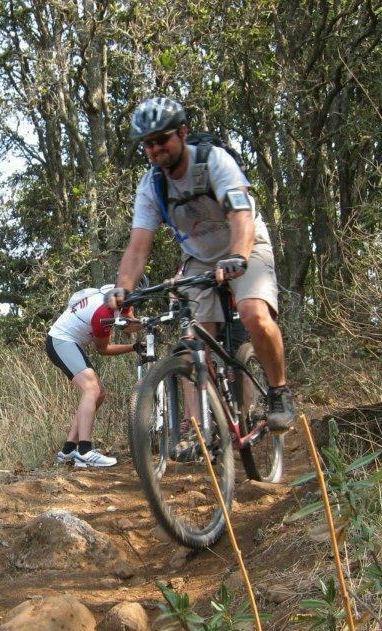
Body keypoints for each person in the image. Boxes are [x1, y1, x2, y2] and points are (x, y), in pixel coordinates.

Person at [106, 97, 296, 431]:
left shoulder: (213, 162)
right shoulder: (151, 186)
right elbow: (138, 246)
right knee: (195, 341)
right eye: (148, 144)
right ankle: (209, 428)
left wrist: (237, 255)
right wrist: (124, 289)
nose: (155, 149)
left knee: (253, 313)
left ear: (182, 133)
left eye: (162, 139)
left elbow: (240, 213)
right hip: (198, 259)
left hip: (245, 244)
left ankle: (279, 391)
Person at [46, 284, 139, 468]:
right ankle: (85, 452)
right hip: (61, 341)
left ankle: (67, 450)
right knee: (91, 389)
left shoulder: (119, 296)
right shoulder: (103, 311)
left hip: (69, 343)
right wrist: (133, 348)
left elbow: (129, 326)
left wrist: (145, 323)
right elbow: (103, 349)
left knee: (99, 393)